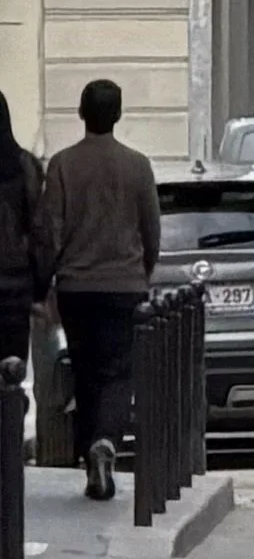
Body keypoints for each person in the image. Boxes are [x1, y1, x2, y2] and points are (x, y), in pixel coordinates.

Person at [43, 79, 160, 501]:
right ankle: (106, 441)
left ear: (80, 112)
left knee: (87, 369)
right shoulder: (138, 166)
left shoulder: (61, 165)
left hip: (76, 288)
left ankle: (89, 448)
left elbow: (51, 232)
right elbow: (152, 230)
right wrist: (142, 273)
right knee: (118, 371)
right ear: (119, 114)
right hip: (124, 285)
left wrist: (48, 284)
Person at [0, 92, 52, 378]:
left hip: (15, 285)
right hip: (15, 288)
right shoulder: (26, 167)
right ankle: (11, 419)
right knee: (12, 371)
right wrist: (40, 290)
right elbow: (41, 234)